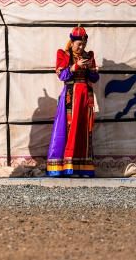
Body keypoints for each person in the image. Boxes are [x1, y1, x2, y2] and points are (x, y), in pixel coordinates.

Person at [46, 25, 99, 177]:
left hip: (85, 98)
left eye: (84, 44)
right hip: (70, 96)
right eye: (79, 44)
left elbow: (95, 79)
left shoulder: (89, 56)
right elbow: (62, 76)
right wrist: (75, 67)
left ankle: (82, 167)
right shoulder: (63, 54)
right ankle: (65, 167)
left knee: (83, 130)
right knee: (68, 130)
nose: (81, 47)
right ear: (72, 42)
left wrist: (90, 70)